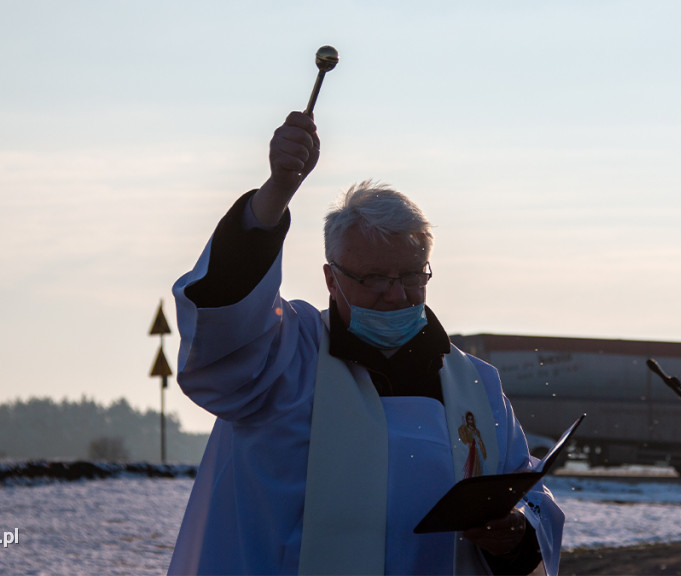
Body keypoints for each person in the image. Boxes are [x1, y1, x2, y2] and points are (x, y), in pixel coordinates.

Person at [167, 111, 564, 575]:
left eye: (412, 276)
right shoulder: (284, 357)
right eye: (374, 278)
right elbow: (223, 328)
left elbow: (528, 494)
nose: (396, 294)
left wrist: (514, 532)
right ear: (331, 280)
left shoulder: (475, 385)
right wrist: (274, 195)